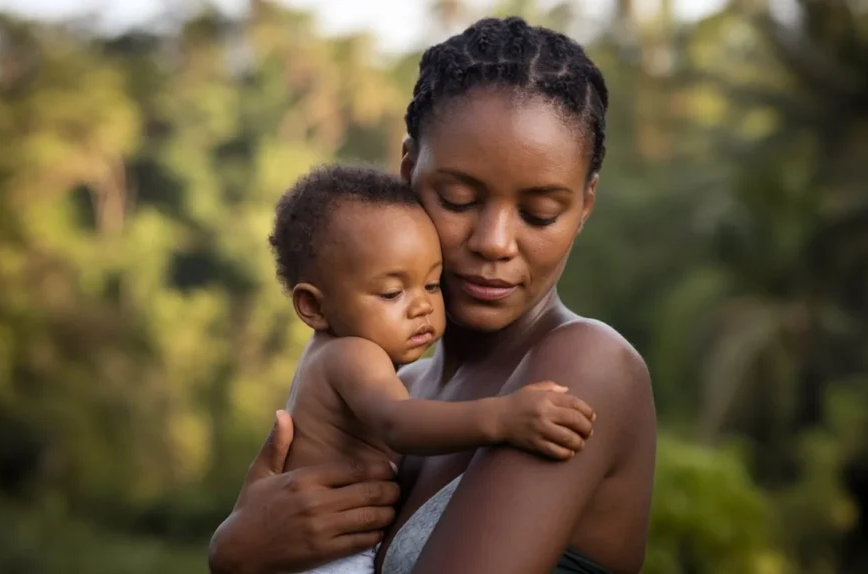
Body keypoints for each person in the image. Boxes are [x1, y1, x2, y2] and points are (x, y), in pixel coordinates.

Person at [208, 15, 657, 574]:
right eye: (459, 200)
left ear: (585, 205)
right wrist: (237, 549)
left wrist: (234, 557)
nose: (494, 243)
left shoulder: (585, 365)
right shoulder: (396, 388)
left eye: (539, 214)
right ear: (407, 169)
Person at [263, 163, 597, 573]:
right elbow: (398, 423)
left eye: (433, 284)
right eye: (391, 293)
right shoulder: (350, 355)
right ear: (314, 307)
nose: (422, 306)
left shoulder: (340, 358)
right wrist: (504, 416)